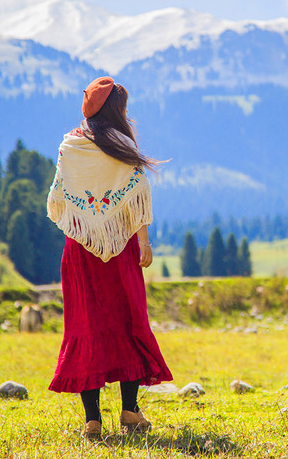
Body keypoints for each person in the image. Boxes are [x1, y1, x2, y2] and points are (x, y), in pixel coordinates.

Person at [47, 77, 172, 440]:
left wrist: (86, 225)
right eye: (124, 108)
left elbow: (60, 198)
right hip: (121, 250)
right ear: (115, 111)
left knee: (86, 327)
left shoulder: (70, 146)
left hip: (80, 250)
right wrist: (144, 243)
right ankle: (130, 412)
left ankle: (93, 420)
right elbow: (137, 194)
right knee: (127, 321)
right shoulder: (121, 145)